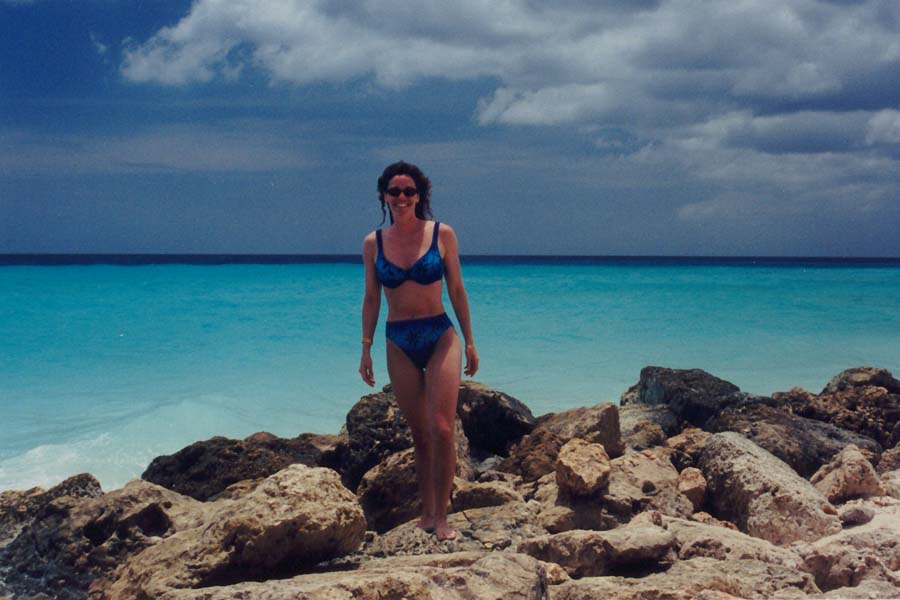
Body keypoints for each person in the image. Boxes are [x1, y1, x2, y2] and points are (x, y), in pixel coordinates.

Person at [359, 161, 479, 541]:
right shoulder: (373, 243)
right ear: (384, 196)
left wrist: (470, 341)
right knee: (420, 434)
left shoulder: (442, 234)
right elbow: (371, 298)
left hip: (440, 334)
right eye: (394, 191)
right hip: (398, 339)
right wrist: (365, 348)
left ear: (419, 195)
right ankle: (426, 513)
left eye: (409, 191)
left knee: (442, 428)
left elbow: (457, 289)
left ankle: (443, 517)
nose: (401, 197)